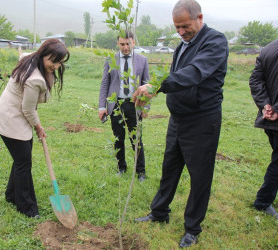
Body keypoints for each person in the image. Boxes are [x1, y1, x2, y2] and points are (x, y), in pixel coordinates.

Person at [133, 0, 229, 247]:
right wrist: (151, 92)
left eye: (185, 26)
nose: (181, 31)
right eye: (177, 27)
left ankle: (192, 228)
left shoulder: (215, 41)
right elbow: (172, 76)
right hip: (178, 119)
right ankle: (159, 212)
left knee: (199, 175)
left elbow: (195, 72)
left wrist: (158, 86)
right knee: (170, 167)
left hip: (202, 120)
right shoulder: (182, 46)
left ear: (200, 17)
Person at [0, 39, 70, 218]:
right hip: (12, 119)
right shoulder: (35, 79)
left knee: (20, 160)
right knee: (23, 163)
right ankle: (27, 208)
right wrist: (39, 128)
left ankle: (11, 195)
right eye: (52, 61)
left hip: (12, 115)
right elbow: (28, 109)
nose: (56, 66)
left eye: (59, 62)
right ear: (42, 55)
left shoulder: (30, 58)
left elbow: (23, 55)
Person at [98, 30, 149, 182]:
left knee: (136, 140)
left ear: (133, 42)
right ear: (117, 43)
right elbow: (104, 84)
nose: (125, 47)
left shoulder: (142, 60)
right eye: (122, 44)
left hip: (134, 105)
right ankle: (121, 168)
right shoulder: (110, 60)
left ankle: (141, 172)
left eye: (128, 43)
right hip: (116, 104)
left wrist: (145, 107)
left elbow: (147, 84)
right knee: (118, 139)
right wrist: (102, 107)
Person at [249, 39, 278, 220]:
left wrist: (265, 104)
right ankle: (263, 201)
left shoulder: (268, 49)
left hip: (270, 117)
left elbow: (255, 80)